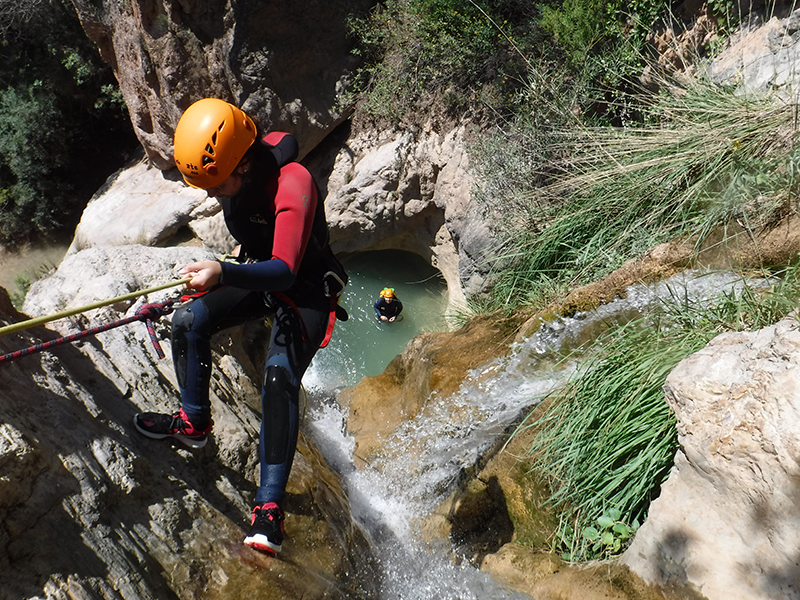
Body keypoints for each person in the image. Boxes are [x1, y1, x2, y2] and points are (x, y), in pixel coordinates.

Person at [132, 98, 346, 555]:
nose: (212, 194)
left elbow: (286, 270)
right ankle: (193, 421)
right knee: (189, 317)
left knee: (278, 375)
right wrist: (226, 273)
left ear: (244, 165)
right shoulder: (237, 169)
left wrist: (224, 272)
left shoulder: (294, 183)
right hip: (258, 274)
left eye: (218, 184)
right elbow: (257, 251)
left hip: (305, 287)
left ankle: (270, 507)